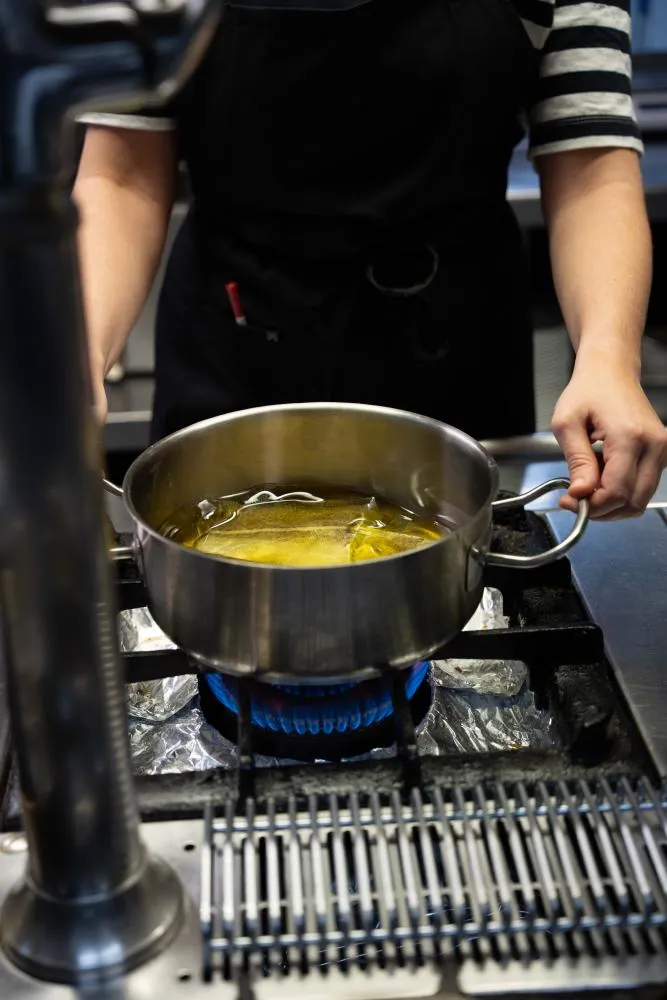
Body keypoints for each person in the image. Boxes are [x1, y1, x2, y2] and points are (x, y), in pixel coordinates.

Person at [75, 0, 667, 520]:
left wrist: (609, 357)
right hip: (237, 336)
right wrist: (73, 359)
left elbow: (591, 166)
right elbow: (123, 173)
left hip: (452, 343)